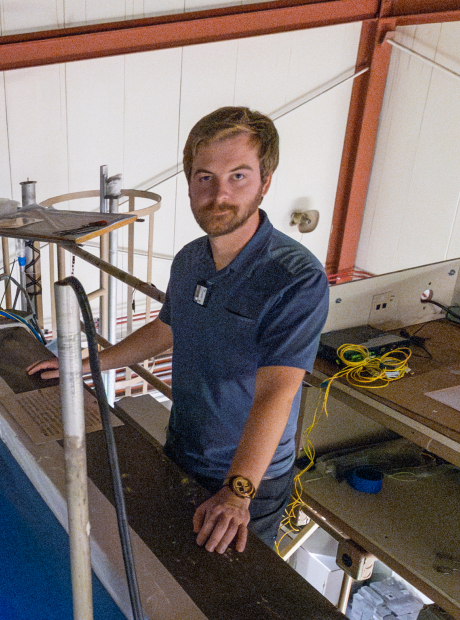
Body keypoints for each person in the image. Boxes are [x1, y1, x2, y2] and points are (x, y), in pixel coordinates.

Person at [27, 106, 329, 554]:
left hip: (249, 481)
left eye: (238, 177)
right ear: (189, 182)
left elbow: (277, 393)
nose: (219, 194)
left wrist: (237, 493)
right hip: (185, 449)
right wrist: (87, 364)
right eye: (205, 177)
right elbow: (168, 328)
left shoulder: (295, 278)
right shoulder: (190, 259)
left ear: (266, 182)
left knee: (227, 599)